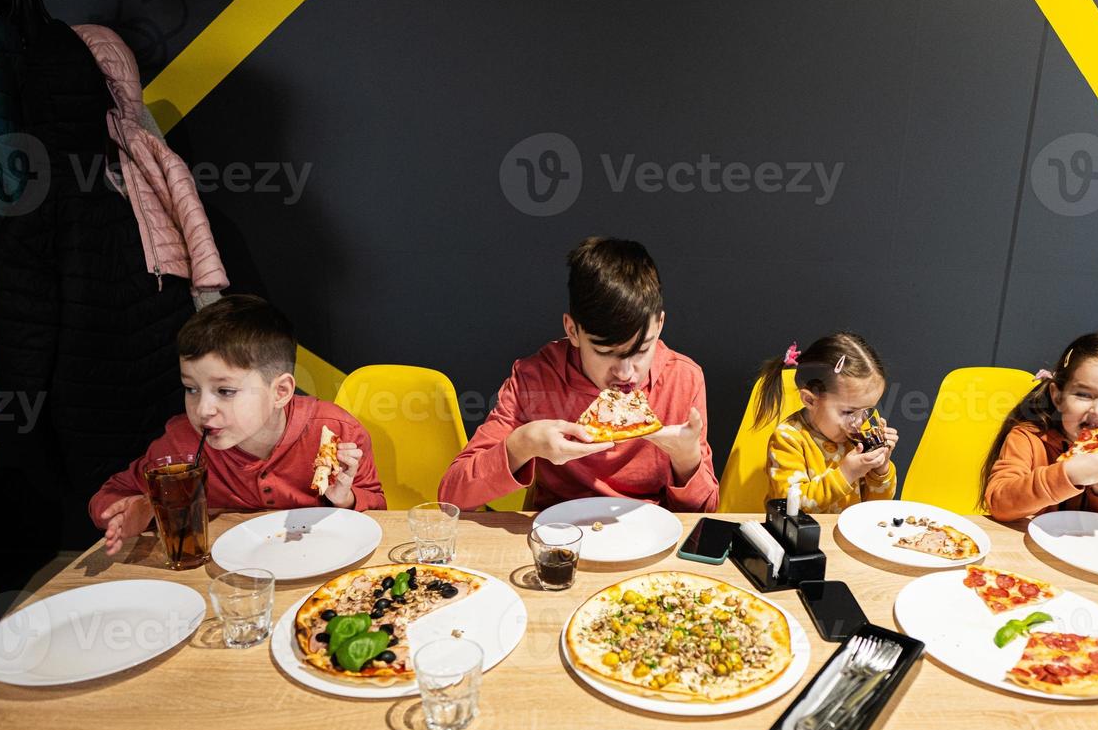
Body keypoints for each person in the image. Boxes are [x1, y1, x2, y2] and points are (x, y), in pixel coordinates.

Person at [89, 295, 385, 555]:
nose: (203, 410)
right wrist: (140, 508)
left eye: (225, 391)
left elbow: (380, 512)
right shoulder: (181, 445)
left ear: (280, 392)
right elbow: (108, 498)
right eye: (191, 389)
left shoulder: (337, 431)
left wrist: (345, 499)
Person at [438, 237, 718, 511]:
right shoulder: (534, 378)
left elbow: (706, 511)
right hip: (558, 538)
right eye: (605, 352)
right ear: (572, 330)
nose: (625, 373)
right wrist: (523, 445)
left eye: (642, 349)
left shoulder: (684, 378)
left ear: (660, 325)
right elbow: (452, 497)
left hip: (649, 536)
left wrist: (686, 459)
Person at [981, 332, 1098, 520]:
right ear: (1058, 397)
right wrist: (1066, 475)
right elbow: (999, 504)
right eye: (1084, 395)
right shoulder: (1028, 438)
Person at [754, 332, 899, 513]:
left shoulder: (854, 438)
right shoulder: (789, 439)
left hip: (844, 535)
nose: (858, 422)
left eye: (867, 411)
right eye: (848, 411)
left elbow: (877, 506)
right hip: (798, 538)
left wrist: (880, 469)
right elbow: (791, 506)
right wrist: (847, 474)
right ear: (810, 400)